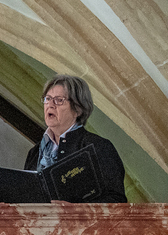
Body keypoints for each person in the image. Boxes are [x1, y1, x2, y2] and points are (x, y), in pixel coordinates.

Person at [24, 75, 126, 203]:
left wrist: (75, 210)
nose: (50, 105)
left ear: (78, 109)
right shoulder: (34, 152)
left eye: (59, 100)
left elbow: (116, 200)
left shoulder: (98, 147)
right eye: (47, 99)